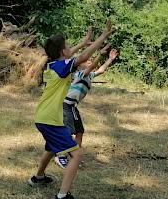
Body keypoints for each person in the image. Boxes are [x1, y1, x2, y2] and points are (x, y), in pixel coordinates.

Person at [28, 21, 113, 199]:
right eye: (67, 46)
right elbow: (82, 58)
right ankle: (62, 195)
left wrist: (83, 42)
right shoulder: (61, 67)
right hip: (50, 119)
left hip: (44, 117)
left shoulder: (53, 65)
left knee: (52, 148)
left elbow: (70, 55)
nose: (69, 47)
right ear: (62, 52)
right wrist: (103, 36)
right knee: (77, 154)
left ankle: (38, 177)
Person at [53, 46, 119, 168]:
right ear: (79, 66)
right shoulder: (80, 74)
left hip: (73, 106)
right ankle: (60, 155)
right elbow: (92, 67)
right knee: (68, 131)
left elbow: (101, 70)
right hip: (66, 104)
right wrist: (100, 54)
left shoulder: (89, 75)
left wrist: (109, 59)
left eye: (90, 60)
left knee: (79, 132)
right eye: (87, 61)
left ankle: (74, 156)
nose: (89, 61)